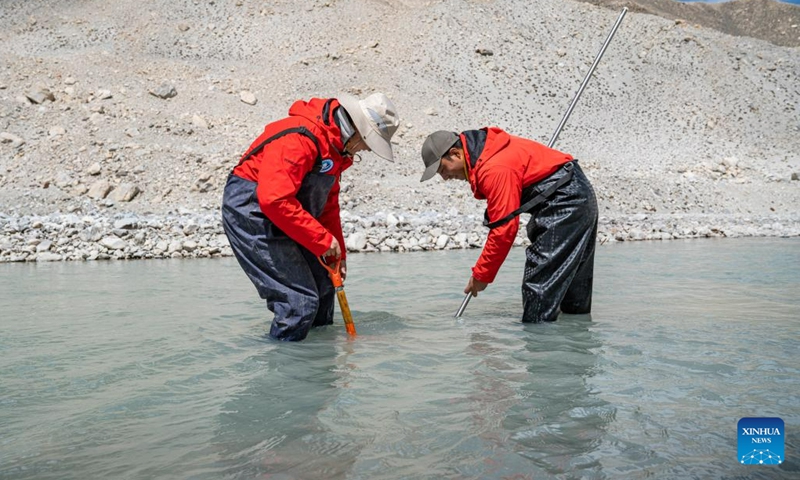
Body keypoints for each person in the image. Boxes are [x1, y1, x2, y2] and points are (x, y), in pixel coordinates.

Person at [223, 93, 399, 341]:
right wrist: (322, 241)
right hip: (252, 213)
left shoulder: (336, 149)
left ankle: (319, 370)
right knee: (299, 304)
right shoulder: (300, 138)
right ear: (357, 131)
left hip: (291, 210)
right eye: (368, 143)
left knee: (325, 287)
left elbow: (327, 205)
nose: (366, 149)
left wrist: (337, 252)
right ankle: (287, 373)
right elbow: (274, 199)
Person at [419, 128, 598, 323]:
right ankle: (576, 346)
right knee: (573, 296)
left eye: (442, 169)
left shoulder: (493, 168)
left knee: (539, 291)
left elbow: (504, 230)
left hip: (565, 201)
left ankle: (538, 349)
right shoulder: (490, 151)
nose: (444, 177)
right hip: (576, 193)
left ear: (456, 154)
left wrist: (481, 275)